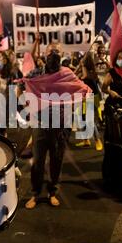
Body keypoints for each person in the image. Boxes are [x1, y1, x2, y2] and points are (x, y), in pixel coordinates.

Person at [22, 42, 91, 209]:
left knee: (56, 160)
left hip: (61, 126)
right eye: (51, 51)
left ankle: (53, 192)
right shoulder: (37, 73)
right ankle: (36, 193)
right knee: (38, 162)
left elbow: (83, 89)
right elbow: (22, 84)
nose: (54, 54)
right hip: (41, 124)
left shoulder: (67, 74)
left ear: (62, 55)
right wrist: (27, 103)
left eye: (57, 52)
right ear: (45, 54)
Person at [76, 52, 103, 151]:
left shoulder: (91, 72)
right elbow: (75, 75)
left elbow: (85, 76)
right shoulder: (82, 71)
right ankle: (86, 140)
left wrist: (82, 66)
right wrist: (79, 67)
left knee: (90, 120)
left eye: (82, 59)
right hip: (81, 98)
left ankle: (97, 141)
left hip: (90, 98)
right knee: (81, 119)